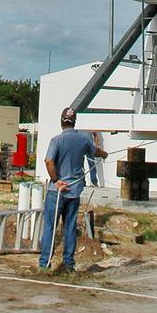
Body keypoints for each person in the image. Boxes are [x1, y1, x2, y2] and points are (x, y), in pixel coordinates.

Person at [39, 107, 107, 272]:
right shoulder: (83, 140)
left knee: (50, 227)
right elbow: (96, 151)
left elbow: (49, 161)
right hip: (74, 192)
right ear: (74, 122)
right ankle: (69, 265)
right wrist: (105, 154)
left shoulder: (56, 141)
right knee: (69, 228)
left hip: (57, 192)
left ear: (62, 122)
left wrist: (56, 181)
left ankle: (44, 265)